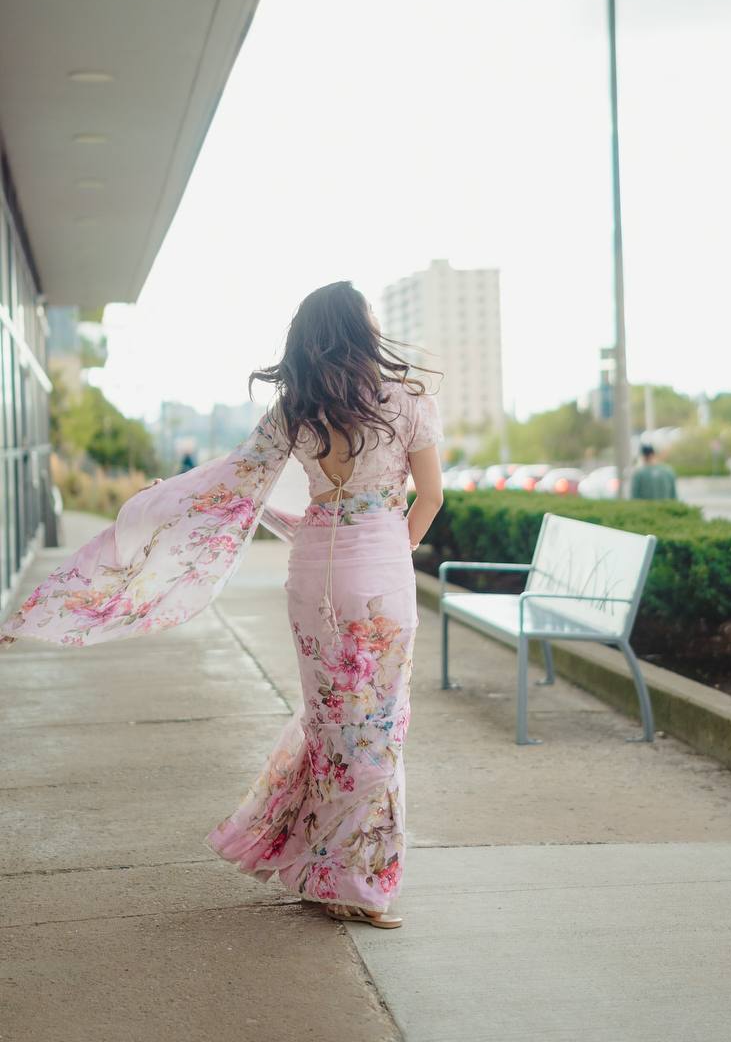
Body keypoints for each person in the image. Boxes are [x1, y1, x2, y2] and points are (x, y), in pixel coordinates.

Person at [0, 281, 444, 931]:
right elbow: (428, 498)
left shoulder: (299, 408)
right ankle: (358, 882)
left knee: (331, 724)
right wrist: (388, 555)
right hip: (377, 574)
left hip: (311, 578)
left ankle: (325, 868)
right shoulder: (406, 400)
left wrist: (160, 502)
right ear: (361, 329)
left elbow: (228, 483)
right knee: (377, 726)